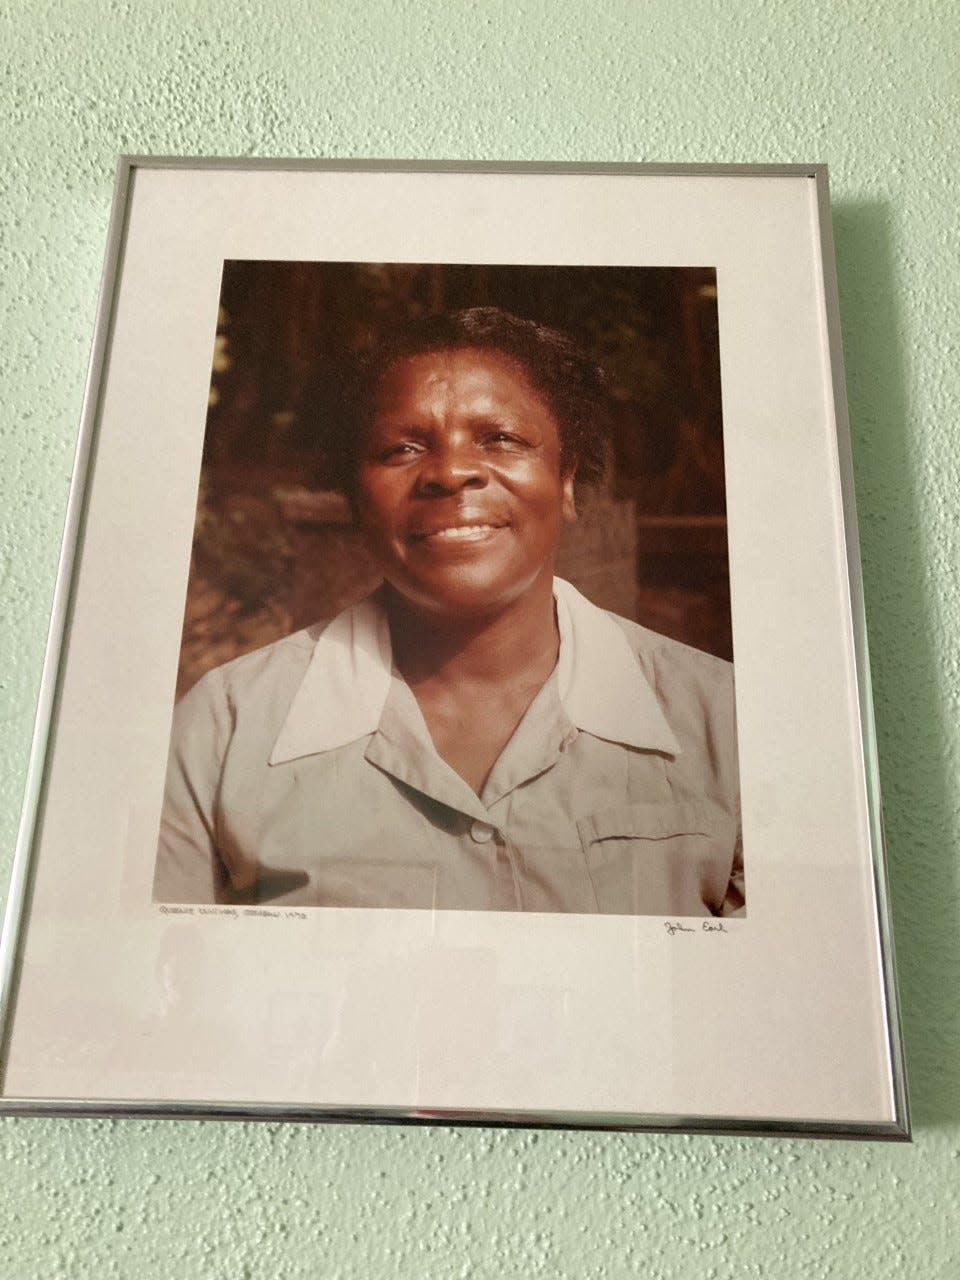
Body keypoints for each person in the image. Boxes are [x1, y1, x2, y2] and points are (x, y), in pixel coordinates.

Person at [154, 307, 743, 916]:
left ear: (566, 481)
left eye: (502, 440)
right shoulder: (225, 731)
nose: (452, 471)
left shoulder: (723, 723)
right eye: (401, 448)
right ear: (354, 498)